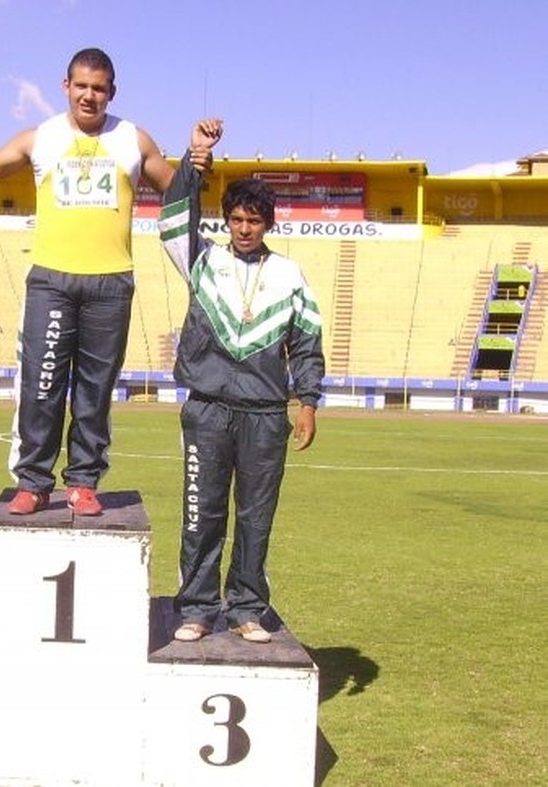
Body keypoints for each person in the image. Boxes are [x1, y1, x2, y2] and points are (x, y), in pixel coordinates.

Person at [0, 47, 175, 516]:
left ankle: (84, 481)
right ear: (65, 86)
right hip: (52, 281)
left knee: (96, 390)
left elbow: (177, 188)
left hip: (111, 283)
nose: (89, 96)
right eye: (81, 86)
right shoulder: (42, 137)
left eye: (98, 88)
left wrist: (200, 161)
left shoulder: (135, 139)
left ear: (112, 92)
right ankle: (33, 481)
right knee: (42, 383)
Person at [159, 121, 325, 643]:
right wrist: (195, 161)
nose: (245, 228)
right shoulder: (203, 261)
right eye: (236, 218)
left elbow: (306, 341)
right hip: (207, 407)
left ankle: (248, 608)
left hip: (263, 414)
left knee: (255, 518)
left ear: (267, 223)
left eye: (254, 220)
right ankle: (197, 608)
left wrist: (309, 401)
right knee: (201, 512)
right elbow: (174, 217)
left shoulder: (290, 275)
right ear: (225, 220)